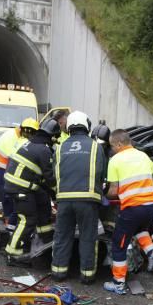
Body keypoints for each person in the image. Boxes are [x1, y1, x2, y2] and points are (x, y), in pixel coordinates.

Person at [104, 129, 153, 294]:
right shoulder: (144, 156)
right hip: (151, 206)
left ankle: (118, 283)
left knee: (118, 244)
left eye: (112, 146)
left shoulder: (115, 160)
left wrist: (102, 191)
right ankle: (152, 253)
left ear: (119, 144)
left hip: (133, 208)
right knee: (141, 230)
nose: (112, 149)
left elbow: (113, 191)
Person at [51, 111, 106, 284]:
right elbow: (102, 173)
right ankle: (87, 275)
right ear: (86, 125)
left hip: (64, 199)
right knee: (88, 237)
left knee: (62, 235)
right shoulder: (96, 146)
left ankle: (59, 272)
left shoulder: (59, 148)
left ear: (69, 127)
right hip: (88, 200)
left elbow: (54, 175)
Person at [4, 118, 60, 264]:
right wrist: (57, 194)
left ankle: (45, 235)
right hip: (20, 188)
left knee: (43, 202)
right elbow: (49, 178)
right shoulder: (44, 150)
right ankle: (13, 254)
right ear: (52, 136)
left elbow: (38, 175)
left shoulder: (33, 143)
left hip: (21, 185)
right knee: (27, 220)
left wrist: (49, 195)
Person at [0, 120, 36, 226]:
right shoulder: (13, 139)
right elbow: (15, 161)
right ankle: (9, 225)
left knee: (9, 198)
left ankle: (10, 222)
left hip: (1, 169)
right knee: (9, 199)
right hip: (0, 170)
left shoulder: (15, 135)